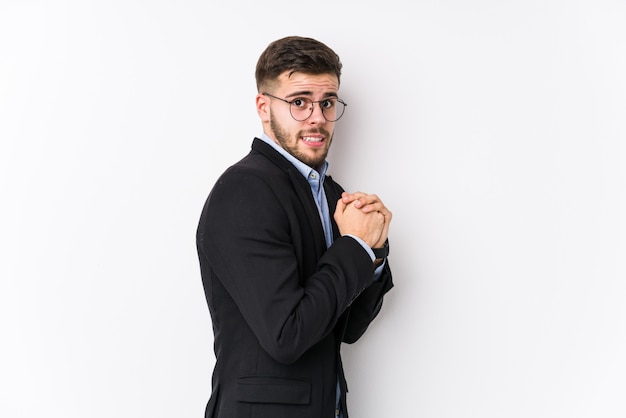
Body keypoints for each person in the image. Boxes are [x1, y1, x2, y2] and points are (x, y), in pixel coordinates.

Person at [196, 35, 394, 418]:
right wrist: (355, 245)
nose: (317, 117)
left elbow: (348, 328)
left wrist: (375, 250)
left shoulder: (333, 196)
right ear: (264, 107)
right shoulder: (244, 190)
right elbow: (286, 336)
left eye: (327, 102)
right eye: (299, 102)